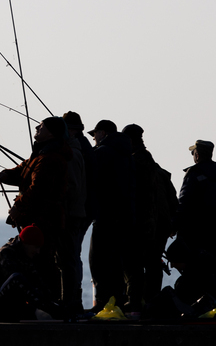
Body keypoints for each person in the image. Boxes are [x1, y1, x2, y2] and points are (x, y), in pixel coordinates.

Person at [0, 116, 72, 303]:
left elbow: (38, 189)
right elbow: (23, 171)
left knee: (43, 262)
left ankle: (49, 302)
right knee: (38, 261)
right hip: (38, 218)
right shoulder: (41, 155)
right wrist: (5, 175)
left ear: (52, 133)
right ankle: (43, 302)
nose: (37, 128)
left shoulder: (50, 158)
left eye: (41, 126)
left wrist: (17, 207)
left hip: (44, 219)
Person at [122, 124, 178, 309]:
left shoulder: (135, 163)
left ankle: (136, 302)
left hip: (146, 225)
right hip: (159, 225)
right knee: (152, 265)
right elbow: (171, 199)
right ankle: (150, 301)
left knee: (135, 263)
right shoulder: (155, 167)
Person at [87, 120, 135, 311]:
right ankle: (117, 303)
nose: (93, 138)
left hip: (105, 216)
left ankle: (103, 304)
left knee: (97, 261)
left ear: (103, 133)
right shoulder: (127, 155)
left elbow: (89, 177)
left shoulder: (103, 153)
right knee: (116, 262)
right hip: (124, 217)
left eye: (95, 134)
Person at [0, 225, 65, 321]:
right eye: (36, 247)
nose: (38, 251)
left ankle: (57, 310)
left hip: (12, 306)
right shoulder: (6, 254)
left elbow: (36, 281)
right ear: (26, 243)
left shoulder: (26, 255)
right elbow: (17, 285)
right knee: (17, 278)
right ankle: (53, 310)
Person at [175, 140, 216, 271]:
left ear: (197, 155)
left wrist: (174, 225)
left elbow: (183, 203)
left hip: (193, 234)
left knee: (193, 273)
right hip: (215, 234)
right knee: (209, 271)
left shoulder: (193, 174)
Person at [60, 111, 89, 313]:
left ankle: (70, 302)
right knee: (72, 257)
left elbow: (71, 187)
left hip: (72, 213)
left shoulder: (74, 152)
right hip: (82, 211)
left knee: (69, 258)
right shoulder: (85, 147)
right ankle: (72, 301)